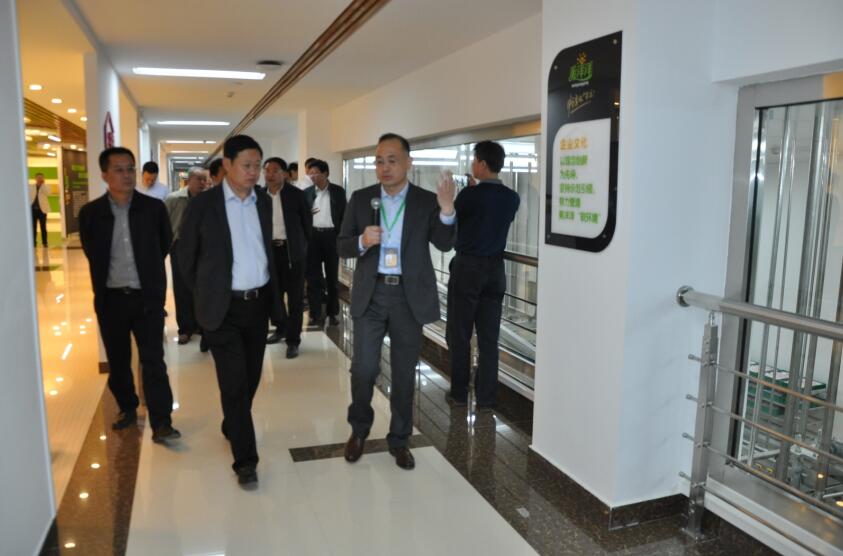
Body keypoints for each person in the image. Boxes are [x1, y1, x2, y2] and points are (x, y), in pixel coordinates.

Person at [338, 133, 456, 470]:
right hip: (371, 294)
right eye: (379, 161)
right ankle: (359, 429)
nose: (385, 167)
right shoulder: (361, 199)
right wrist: (362, 241)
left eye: (392, 160)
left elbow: (444, 243)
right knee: (364, 369)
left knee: (404, 373)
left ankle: (400, 440)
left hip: (408, 297)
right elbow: (341, 245)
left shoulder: (425, 201)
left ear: (408, 163)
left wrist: (447, 209)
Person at [177, 134, 282, 486]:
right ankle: (246, 460)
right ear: (227, 165)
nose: (254, 172)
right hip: (223, 309)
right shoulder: (204, 205)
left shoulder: (263, 201)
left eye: (258, 166)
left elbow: (266, 251)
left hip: (257, 305)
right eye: (247, 165)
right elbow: (185, 258)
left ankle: (232, 422)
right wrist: (205, 295)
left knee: (250, 377)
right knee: (234, 384)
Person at [78, 147, 181, 444]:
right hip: (111, 300)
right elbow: (91, 250)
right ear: (105, 175)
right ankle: (127, 407)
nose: (127, 175)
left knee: (153, 360)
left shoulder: (153, 209)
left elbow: (164, 243)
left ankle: (162, 420)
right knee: (118, 360)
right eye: (119, 169)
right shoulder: (91, 213)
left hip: (146, 298)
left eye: (130, 169)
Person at [446, 141, 520, 409]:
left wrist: (466, 192)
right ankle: (486, 398)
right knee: (489, 339)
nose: (472, 164)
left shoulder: (468, 196)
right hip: (495, 271)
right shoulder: (512, 198)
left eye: (475, 160)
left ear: (483, 164)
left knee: (460, 333)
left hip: (468, 268)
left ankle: (459, 393)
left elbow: (455, 224)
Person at [261, 157, 311, 358]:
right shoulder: (258, 196)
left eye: (275, 170)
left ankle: (293, 340)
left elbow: (307, 224)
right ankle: (280, 328)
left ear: (284, 173)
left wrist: (302, 249)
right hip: (269, 253)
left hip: (292, 253)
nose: (270, 174)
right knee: (274, 296)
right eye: (267, 170)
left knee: (295, 299)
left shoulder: (296, 195)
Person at [164, 166, 209, 346]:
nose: (202, 183)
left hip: (203, 247)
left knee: (201, 287)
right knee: (182, 287)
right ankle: (185, 328)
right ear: (189, 180)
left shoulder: (208, 199)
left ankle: (201, 325)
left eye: (204, 179)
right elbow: (164, 223)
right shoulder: (174, 199)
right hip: (180, 246)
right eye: (199, 179)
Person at [303, 159, 346, 327]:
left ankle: (332, 313)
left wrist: (341, 237)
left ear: (325, 173)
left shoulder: (338, 192)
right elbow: (300, 216)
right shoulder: (306, 193)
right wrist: (307, 214)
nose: (312, 176)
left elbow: (344, 215)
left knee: (332, 278)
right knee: (313, 278)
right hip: (312, 237)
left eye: (315, 173)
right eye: (310, 173)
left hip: (331, 237)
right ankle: (315, 314)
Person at [29, 172, 50, 247]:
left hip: (42, 210)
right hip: (32, 210)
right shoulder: (31, 187)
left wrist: (43, 185)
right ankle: (33, 242)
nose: (40, 179)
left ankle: (45, 242)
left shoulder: (46, 186)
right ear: (35, 178)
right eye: (38, 177)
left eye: (41, 177)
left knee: (43, 227)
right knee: (33, 227)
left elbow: (48, 193)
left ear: (43, 178)